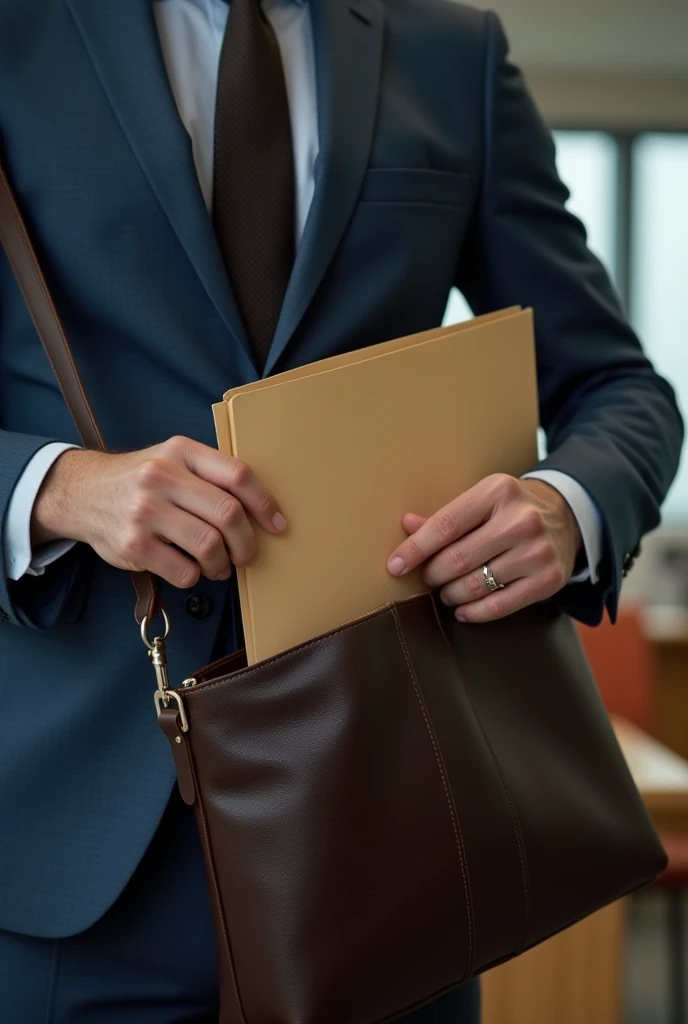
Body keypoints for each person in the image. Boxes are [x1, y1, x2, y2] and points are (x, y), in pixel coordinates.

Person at [0, 0, 682, 1020]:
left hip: (394, 826)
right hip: (71, 852)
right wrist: (55, 487)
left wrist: (564, 503)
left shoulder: (451, 54)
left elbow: (620, 387)